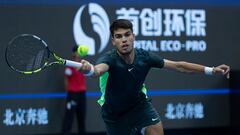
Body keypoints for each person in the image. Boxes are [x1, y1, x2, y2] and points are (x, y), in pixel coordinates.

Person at [79, 19, 230, 135]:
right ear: (113, 41)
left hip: (139, 105)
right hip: (114, 114)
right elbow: (97, 70)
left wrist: (211, 70)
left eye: (127, 35)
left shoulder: (145, 57)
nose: (124, 39)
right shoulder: (109, 59)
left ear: (133, 36)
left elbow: (179, 66)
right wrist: (88, 69)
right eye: (118, 36)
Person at [62, 45, 86, 135]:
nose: (79, 53)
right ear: (74, 53)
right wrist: (69, 93)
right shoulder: (70, 66)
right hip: (72, 94)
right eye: (77, 51)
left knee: (81, 118)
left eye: (80, 51)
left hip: (82, 94)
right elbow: (66, 79)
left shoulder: (83, 65)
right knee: (69, 118)